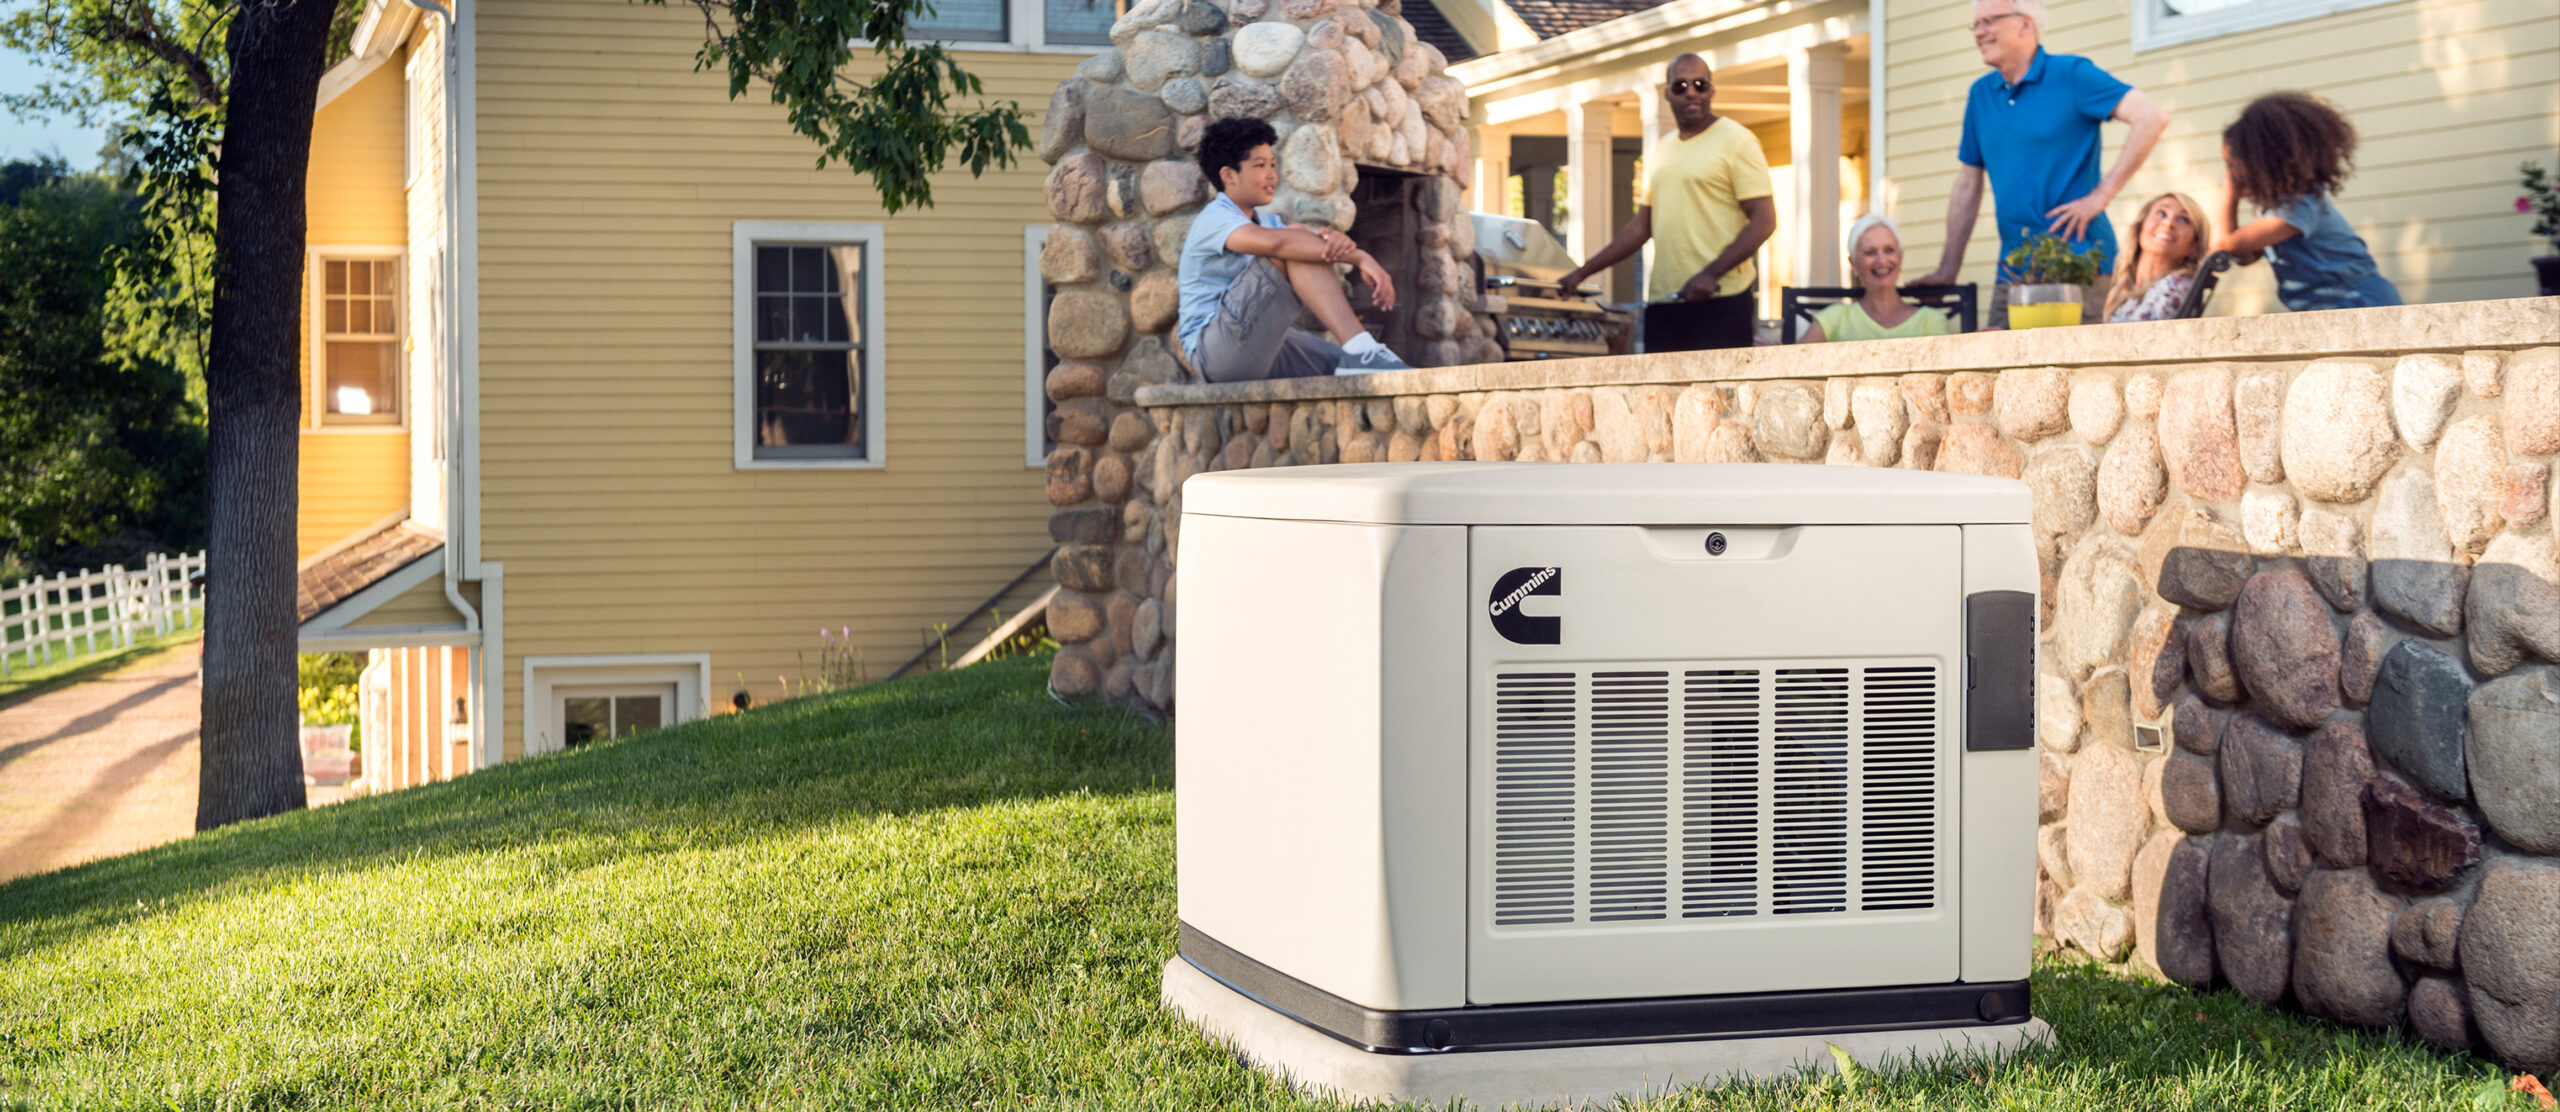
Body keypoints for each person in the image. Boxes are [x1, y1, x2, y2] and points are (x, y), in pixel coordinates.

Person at [1914, 0, 2170, 327]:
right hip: (2014, 270)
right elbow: (1967, 184)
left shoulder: (2073, 75)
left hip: (2080, 267)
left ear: (2024, 24)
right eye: (1975, 25)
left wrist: (2099, 198)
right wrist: (1948, 270)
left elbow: (2151, 117)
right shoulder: (1980, 95)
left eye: (1988, 21)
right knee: (2002, 372)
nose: (1978, 33)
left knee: (2082, 373)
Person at [1556, 53, 1775, 352]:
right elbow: (1640, 227)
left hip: (1720, 299)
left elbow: (1764, 220)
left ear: (1712, 90)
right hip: (1665, 300)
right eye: (1680, 86)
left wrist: (1711, 274)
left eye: (1699, 84)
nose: (1691, 92)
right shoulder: (1663, 149)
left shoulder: (1738, 141)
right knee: (1661, 397)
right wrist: (1582, 273)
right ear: (1667, 94)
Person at [1176, 118, 1413, 381]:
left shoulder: (1268, 222)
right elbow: (1283, 244)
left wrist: (1329, 240)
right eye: (1260, 165)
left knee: (1342, 368)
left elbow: (1301, 246)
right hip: (1215, 353)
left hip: (1257, 344)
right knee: (1295, 238)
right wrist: (1359, 257)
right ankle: (1362, 348)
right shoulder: (1215, 216)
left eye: (1272, 165)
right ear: (1229, 175)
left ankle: (1361, 354)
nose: (1271, 175)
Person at [2211, 91, 2401, 312]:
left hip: (2357, 303)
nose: (2230, 172)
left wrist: (2230, 188)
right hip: (2333, 307)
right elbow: (2243, 254)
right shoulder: (2283, 208)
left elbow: (2223, 244)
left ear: (2263, 162)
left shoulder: (2299, 208)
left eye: (2232, 164)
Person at [1795, 215, 1955, 342]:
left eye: (1889, 250)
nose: (1882, 260)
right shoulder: (1834, 319)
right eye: (1870, 252)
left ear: (1900, 257)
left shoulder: (1931, 321)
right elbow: (1795, 363)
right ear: (1853, 264)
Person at [2103, 192, 2210, 323]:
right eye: (2161, 213)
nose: (2168, 223)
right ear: (2140, 226)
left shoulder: (2176, 285)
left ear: (2194, 246)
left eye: (2183, 219)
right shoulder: (2125, 289)